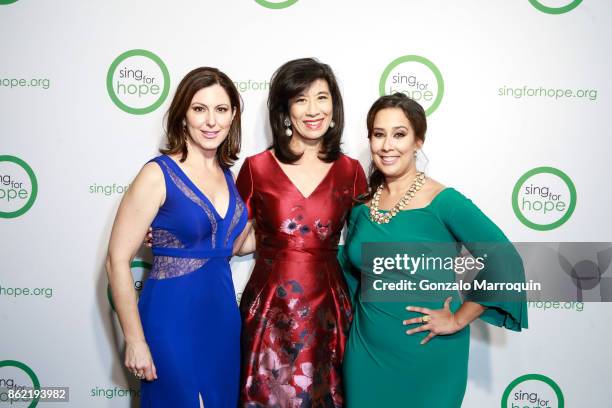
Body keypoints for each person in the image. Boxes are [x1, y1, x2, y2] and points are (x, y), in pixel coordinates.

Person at [338, 93, 528, 407]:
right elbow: (350, 272)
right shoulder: (361, 207)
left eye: (399, 134)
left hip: (429, 355)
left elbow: (504, 259)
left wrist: (457, 319)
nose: (388, 145)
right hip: (365, 354)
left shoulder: (444, 202)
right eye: (378, 134)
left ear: (418, 142)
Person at [106, 67, 249, 408]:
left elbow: (233, 245)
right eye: (199, 109)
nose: (211, 121)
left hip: (223, 320)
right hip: (171, 318)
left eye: (221, 109)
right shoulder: (157, 173)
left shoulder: (228, 176)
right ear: (183, 115)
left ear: (233, 117)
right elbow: (117, 261)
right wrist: (135, 340)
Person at [235, 58, 367, 407]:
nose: (313, 110)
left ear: (334, 106)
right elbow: (234, 241)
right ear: (285, 110)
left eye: (322, 97)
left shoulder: (351, 171)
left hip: (330, 311)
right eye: (301, 99)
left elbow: (372, 242)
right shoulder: (256, 168)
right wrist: (174, 237)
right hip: (270, 310)